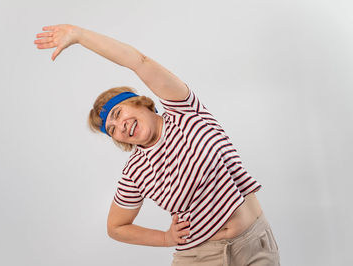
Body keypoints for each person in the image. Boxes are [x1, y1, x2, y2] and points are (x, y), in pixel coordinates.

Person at [34, 24, 281, 266]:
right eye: (111, 129)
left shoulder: (183, 109)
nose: (120, 126)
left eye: (118, 113)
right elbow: (116, 227)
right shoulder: (135, 171)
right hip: (198, 258)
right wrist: (165, 238)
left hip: (254, 243)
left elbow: (138, 61)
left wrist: (80, 36)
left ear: (139, 102)